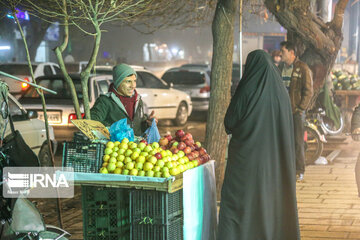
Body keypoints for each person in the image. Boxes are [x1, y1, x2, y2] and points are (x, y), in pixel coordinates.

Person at [217, 50, 300, 240]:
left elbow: (230, 122)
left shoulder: (248, 88)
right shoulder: (281, 92)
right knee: (270, 203)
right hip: (275, 163)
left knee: (241, 203)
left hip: (247, 163)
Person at [90, 63, 156, 136]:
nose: (133, 86)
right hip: (116, 146)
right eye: (128, 81)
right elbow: (92, 122)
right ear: (118, 82)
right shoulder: (105, 101)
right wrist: (115, 128)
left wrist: (147, 123)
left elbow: (137, 127)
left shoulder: (137, 100)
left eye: (134, 81)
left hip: (135, 146)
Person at [280, 41, 313, 181]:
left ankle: (299, 170)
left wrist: (301, 108)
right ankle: (287, 170)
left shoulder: (302, 68)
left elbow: (308, 91)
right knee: (284, 141)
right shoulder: (281, 68)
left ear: (292, 52)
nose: (281, 54)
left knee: (298, 141)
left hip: (296, 112)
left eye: (283, 52)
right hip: (283, 111)